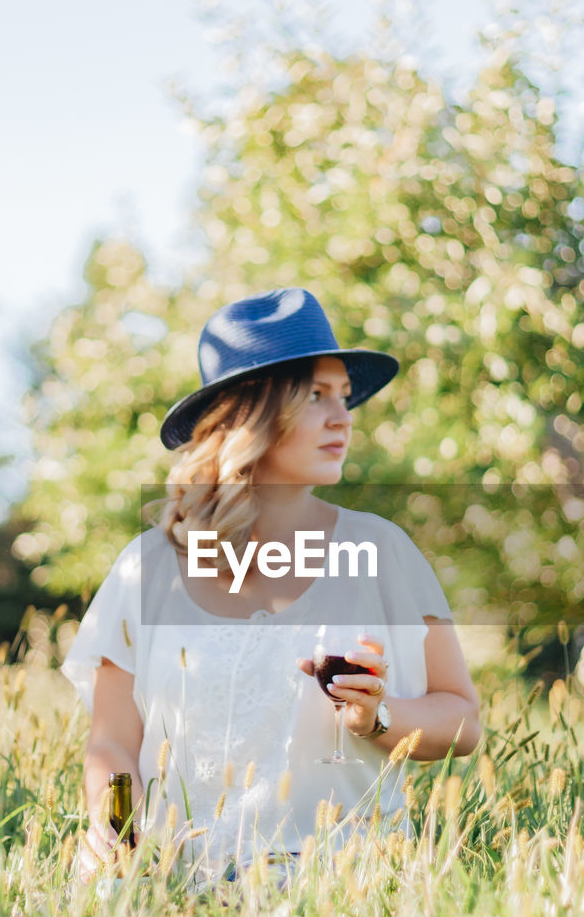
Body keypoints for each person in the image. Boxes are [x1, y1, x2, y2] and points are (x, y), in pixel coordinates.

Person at [62, 287, 481, 886]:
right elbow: (112, 744)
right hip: (173, 885)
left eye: (343, 397)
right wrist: (119, 831)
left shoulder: (381, 551)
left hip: (337, 889)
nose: (343, 417)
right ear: (250, 419)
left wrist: (377, 717)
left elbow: (462, 718)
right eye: (315, 397)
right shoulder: (150, 568)